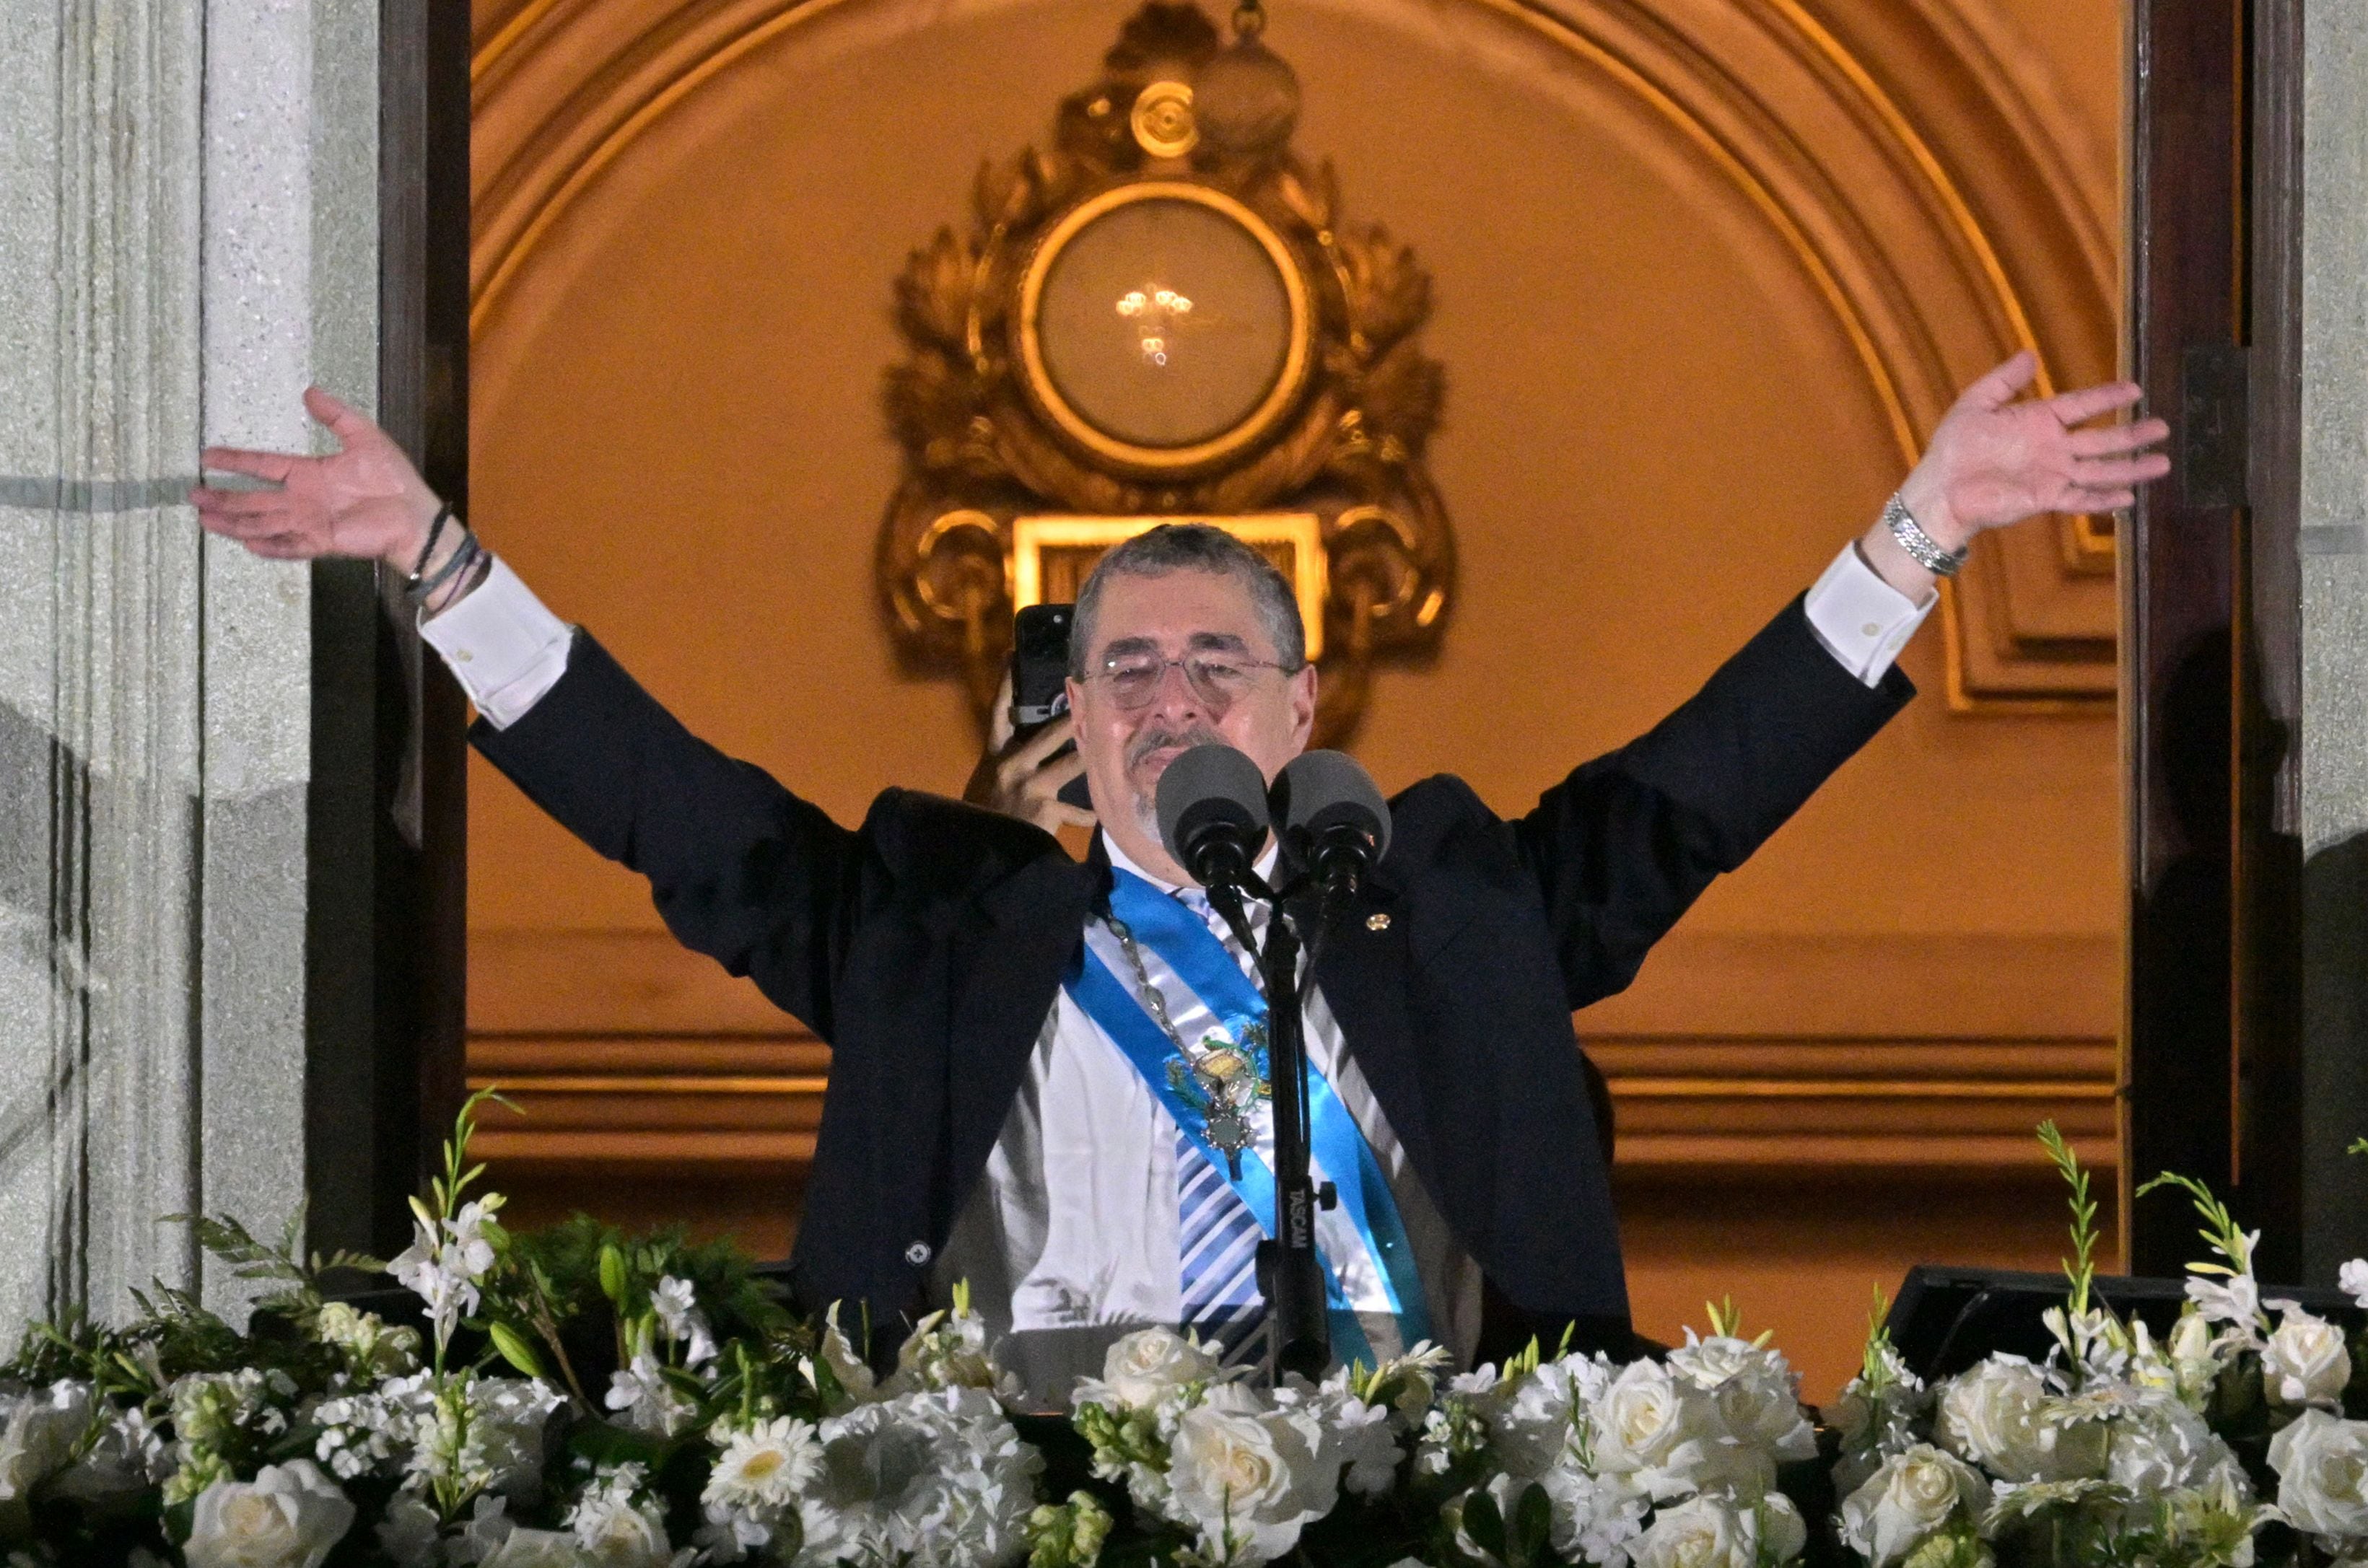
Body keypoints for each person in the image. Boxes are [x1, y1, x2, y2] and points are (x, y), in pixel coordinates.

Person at [193, 353, 2168, 1401]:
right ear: (1079, 707)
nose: (1166, 697)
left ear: (1302, 693)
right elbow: (677, 811)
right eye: (1123, 666)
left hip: (1417, 1496)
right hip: (1004, 1492)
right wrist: (446, 572)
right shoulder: (938, 927)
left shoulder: (1451, 901)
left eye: (1214, 657)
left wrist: (1915, 532)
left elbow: (1692, 796)